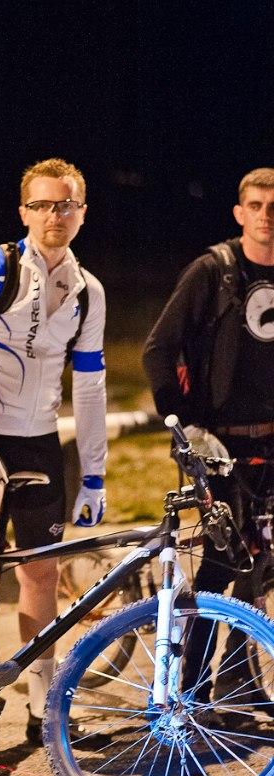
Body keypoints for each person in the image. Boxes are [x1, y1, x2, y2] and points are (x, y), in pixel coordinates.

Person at [0, 157, 107, 745]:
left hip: (39, 436)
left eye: (65, 205)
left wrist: (95, 473)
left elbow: (89, 386)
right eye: (41, 205)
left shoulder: (88, 291)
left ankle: (43, 709)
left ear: (81, 213)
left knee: (42, 570)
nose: (53, 215)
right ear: (23, 212)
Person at [143, 167, 274, 702]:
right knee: (221, 567)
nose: (266, 216)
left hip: (271, 442)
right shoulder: (213, 270)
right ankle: (190, 694)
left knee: (264, 563)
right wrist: (184, 427)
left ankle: (241, 681)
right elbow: (157, 349)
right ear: (239, 212)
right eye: (256, 206)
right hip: (218, 445)